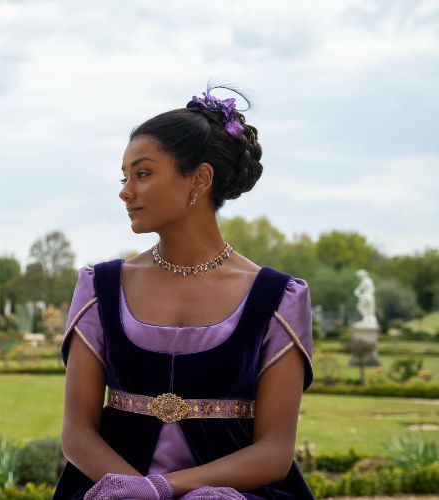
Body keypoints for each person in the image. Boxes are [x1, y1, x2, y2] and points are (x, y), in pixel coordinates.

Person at [54, 87, 315, 500]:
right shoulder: (99, 288)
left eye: (142, 174)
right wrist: (135, 492)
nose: (125, 191)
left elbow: (275, 450)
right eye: (125, 177)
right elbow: (77, 433)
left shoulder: (278, 298)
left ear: (200, 178)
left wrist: (166, 488)